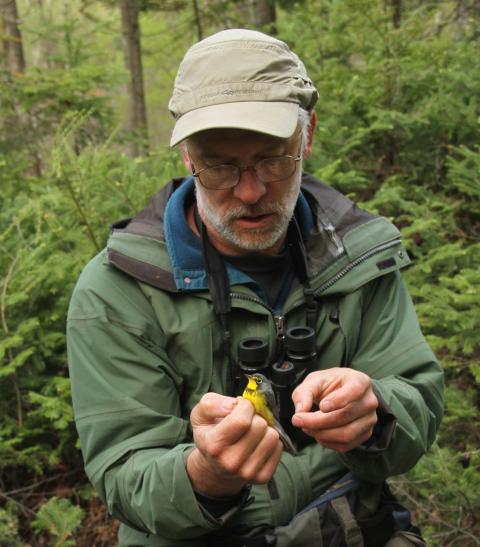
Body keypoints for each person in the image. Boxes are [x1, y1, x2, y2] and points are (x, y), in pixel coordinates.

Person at [67, 29, 444, 547]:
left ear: (306, 135)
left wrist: (375, 411)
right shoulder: (118, 289)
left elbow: (418, 399)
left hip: (350, 527)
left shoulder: (361, 257)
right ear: (188, 159)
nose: (249, 191)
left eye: (272, 158)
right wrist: (207, 474)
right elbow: (124, 475)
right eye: (220, 165)